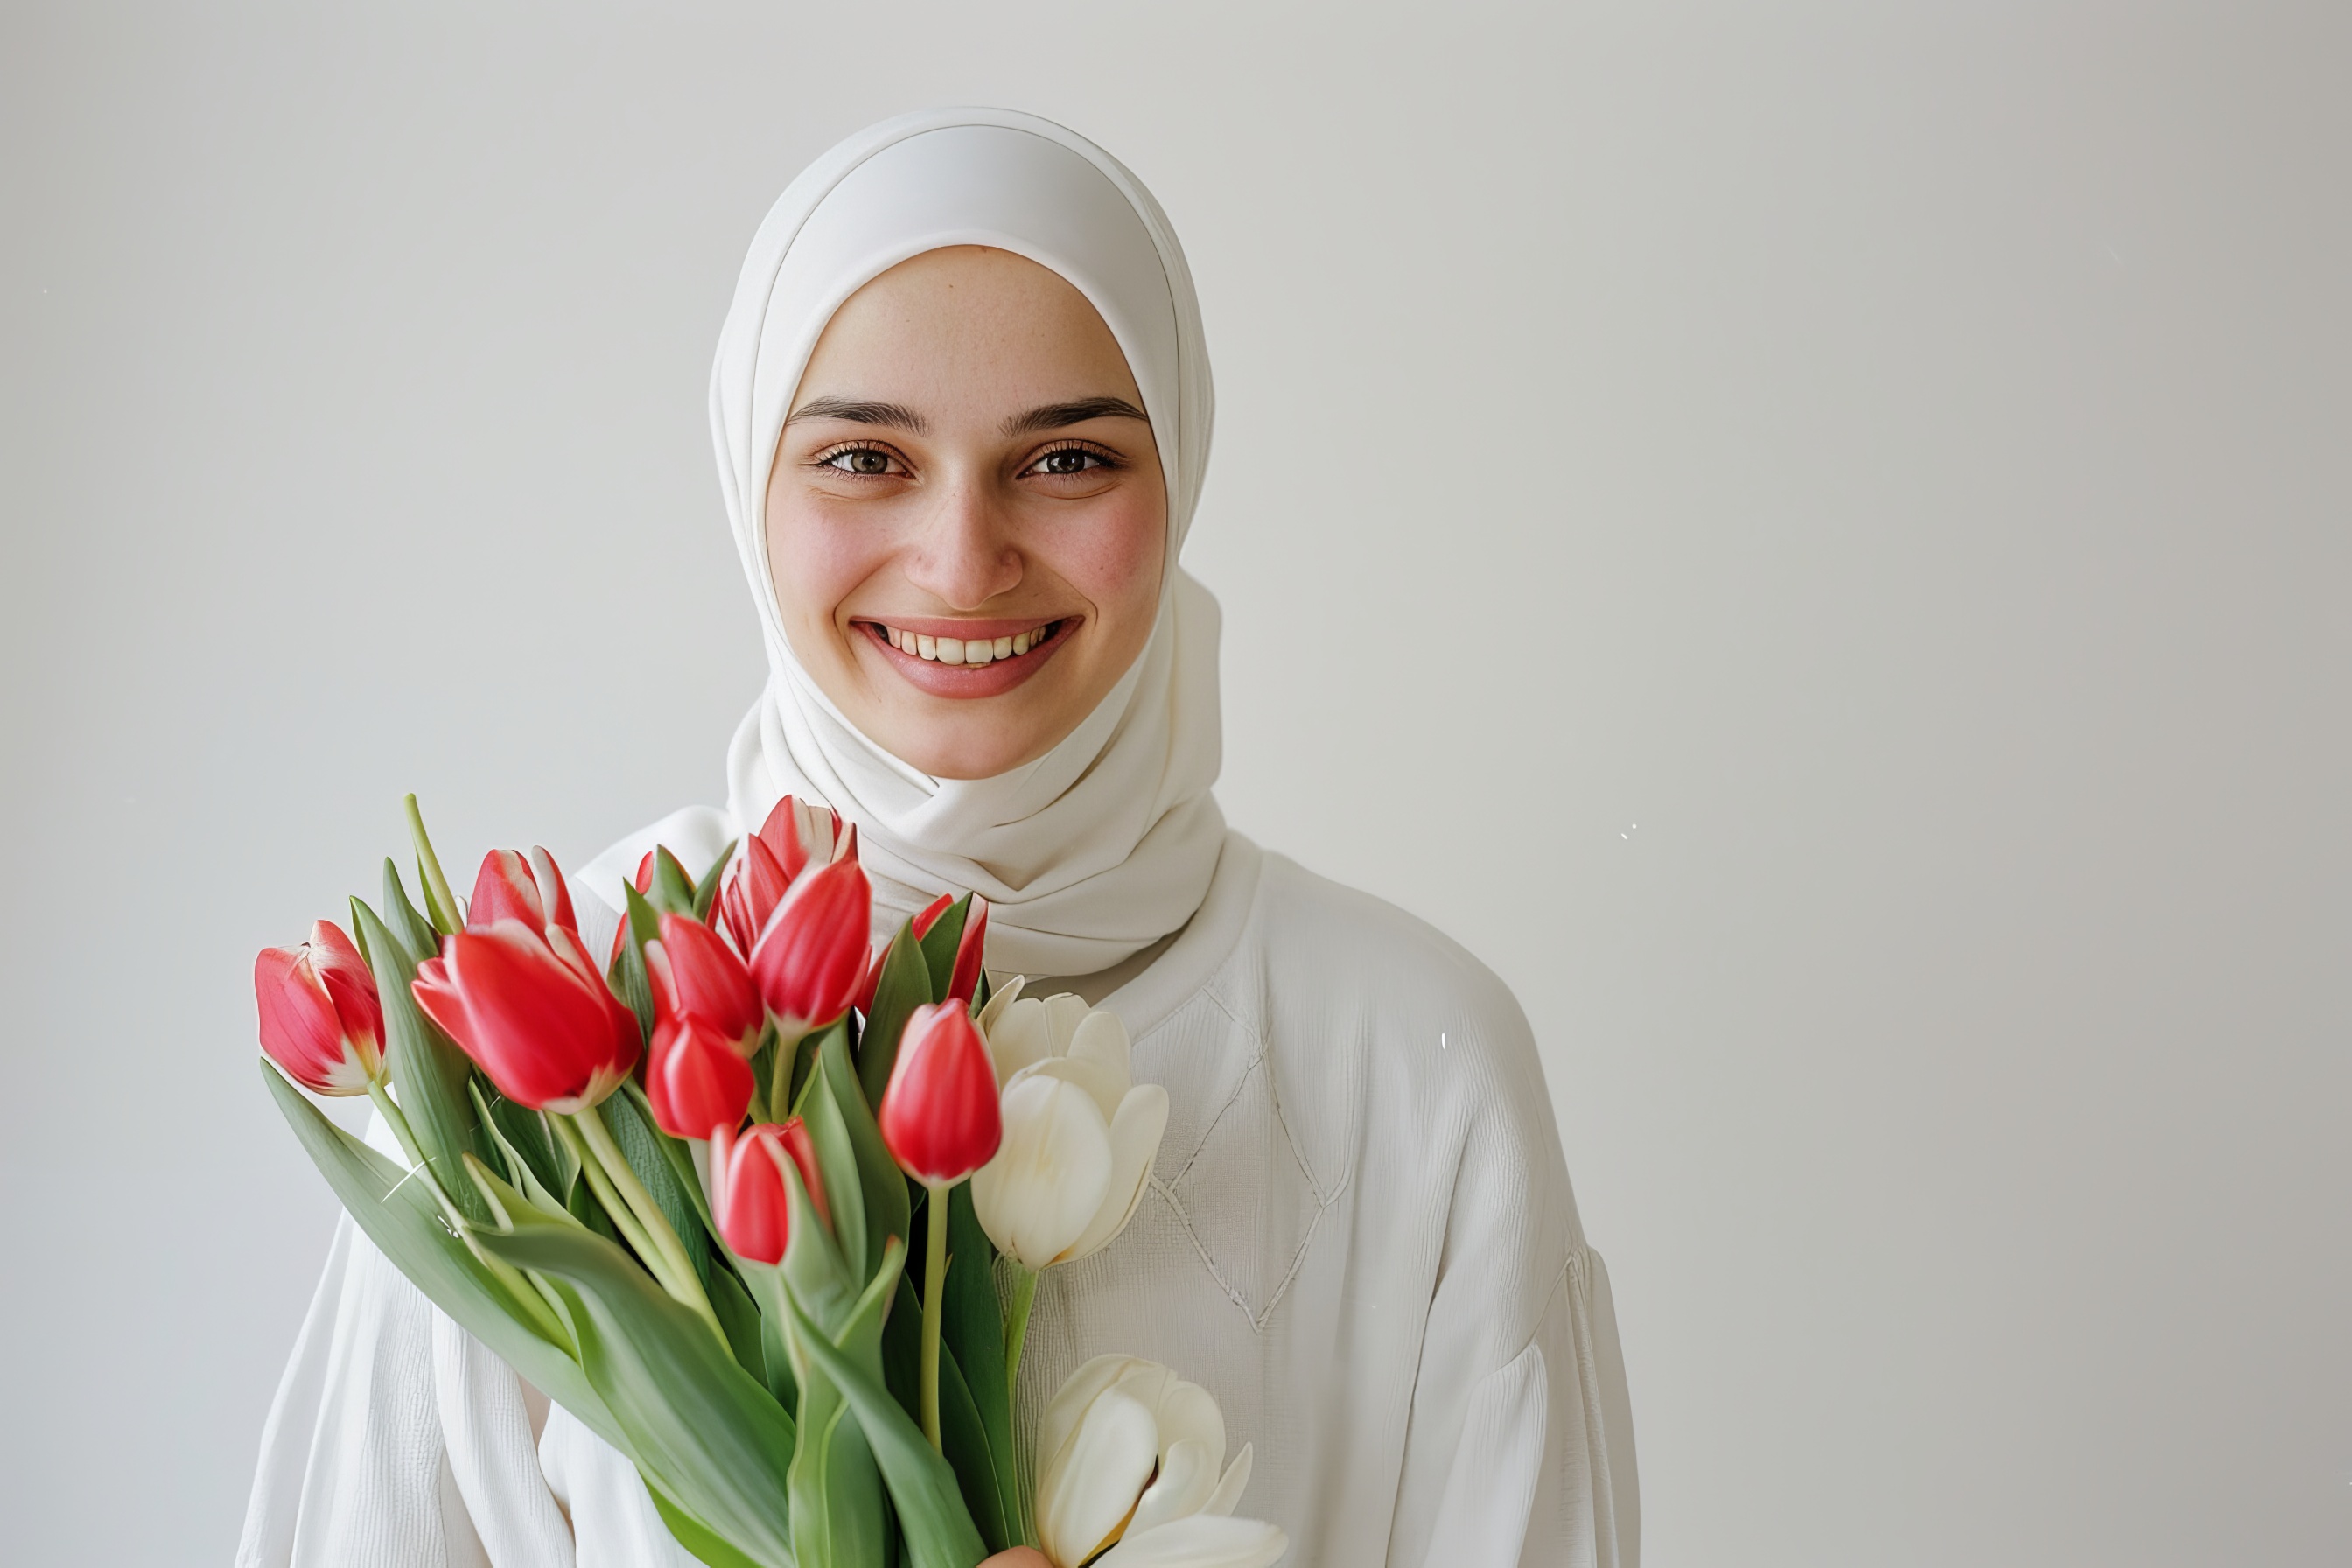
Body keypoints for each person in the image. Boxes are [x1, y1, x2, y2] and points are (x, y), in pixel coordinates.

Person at [237, 108, 1638, 1568]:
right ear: (748, 486)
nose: (965, 561)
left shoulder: (1414, 1059)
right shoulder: (552, 1032)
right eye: (861, 459)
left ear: (1182, 477)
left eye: (1069, 460)